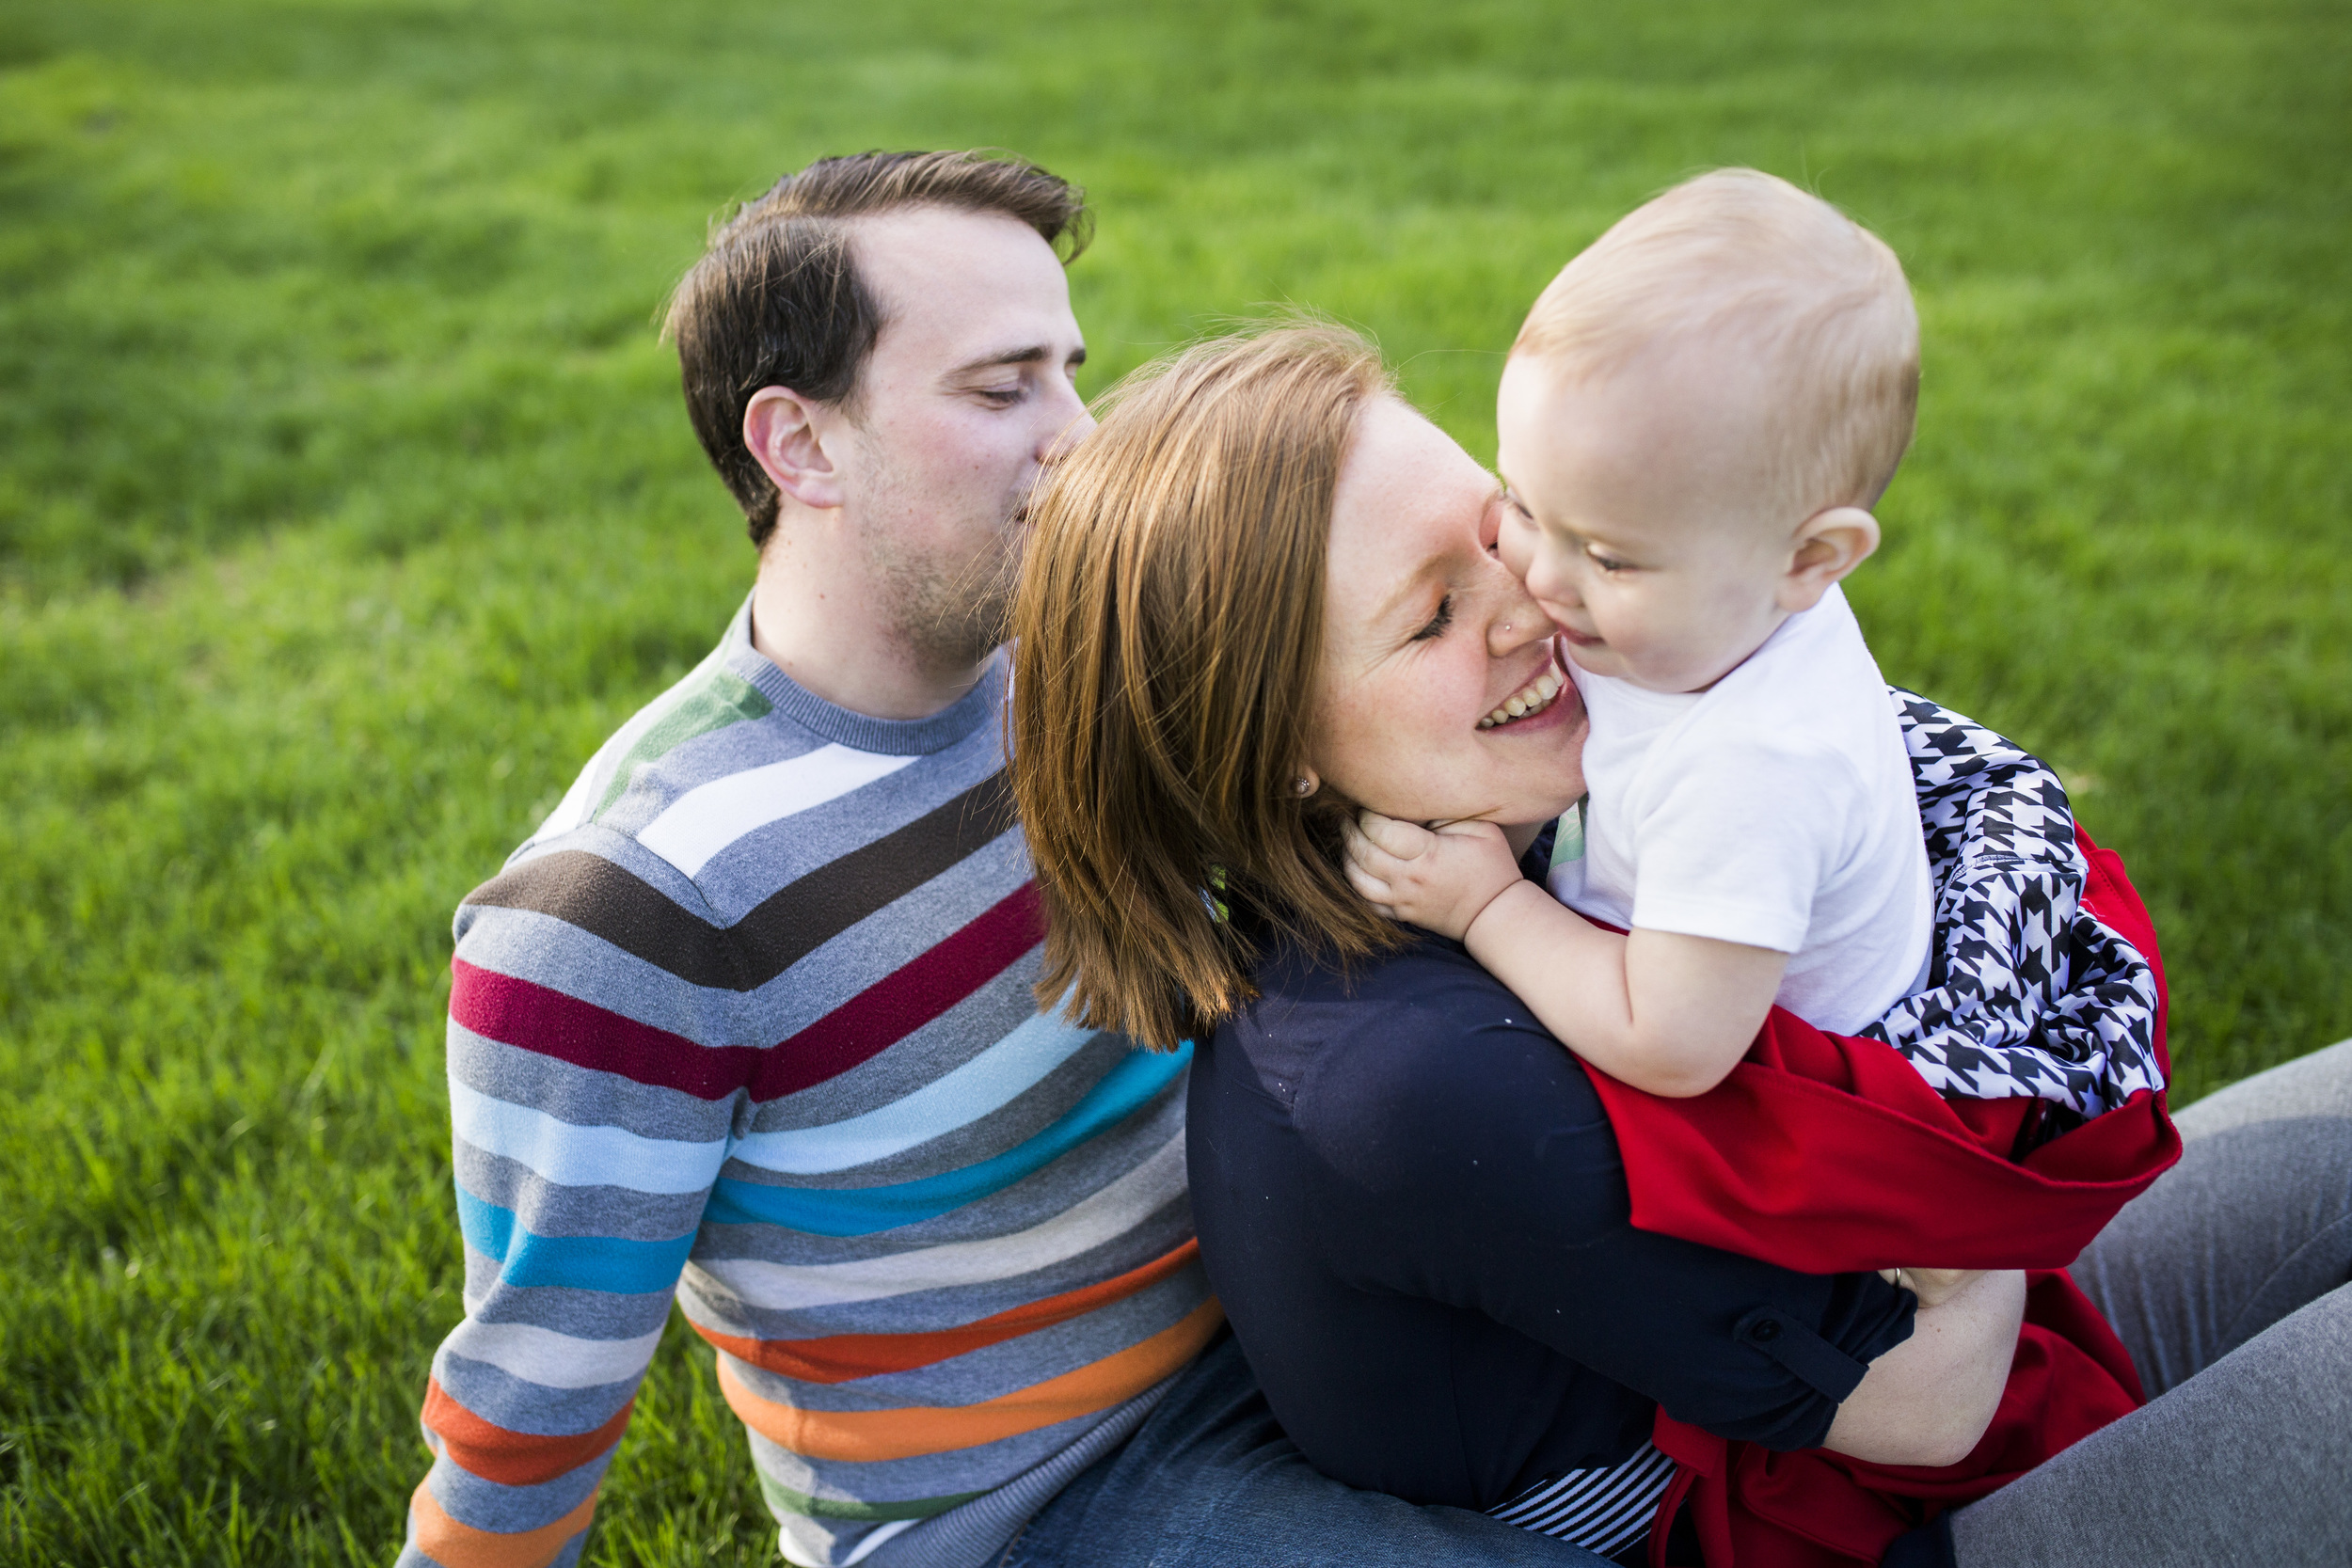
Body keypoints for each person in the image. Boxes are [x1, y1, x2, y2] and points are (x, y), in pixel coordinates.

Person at [399, 151, 1614, 1568]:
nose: (1080, 436)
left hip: (1324, 1312)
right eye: (1001, 387)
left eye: (1069, 370)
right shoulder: (632, 906)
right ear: (799, 445)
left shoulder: (1069, 678)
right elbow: (532, 1401)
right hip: (1030, 1505)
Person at [1006, 324, 2352, 1565]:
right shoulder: (1405, 1080)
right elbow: (1932, 1405)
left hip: (1955, 1339)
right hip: (1893, 1511)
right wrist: (1979, 1116)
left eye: (1502, 525)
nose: (1537, 599)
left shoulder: (1514, 829)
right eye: (1428, 616)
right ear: (1278, 750)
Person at [1343, 169, 2158, 1133]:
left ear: (1810, 558)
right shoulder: (1722, 593)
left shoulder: (1751, 766)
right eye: (1521, 504)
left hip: (1825, 1105)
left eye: (1607, 554)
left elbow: (1670, 1042)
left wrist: (1487, 907)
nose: (1540, 579)